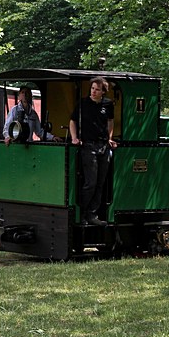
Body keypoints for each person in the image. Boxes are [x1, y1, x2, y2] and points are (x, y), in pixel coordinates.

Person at [69, 76, 117, 226]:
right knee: (90, 182)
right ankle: (81, 213)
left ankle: (92, 215)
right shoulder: (83, 104)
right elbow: (73, 121)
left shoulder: (108, 104)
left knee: (100, 183)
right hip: (88, 145)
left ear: (103, 92)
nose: (94, 92)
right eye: (92, 89)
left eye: (97, 89)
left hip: (103, 145)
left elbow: (110, 122)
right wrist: (74, 138)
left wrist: (109, 138)